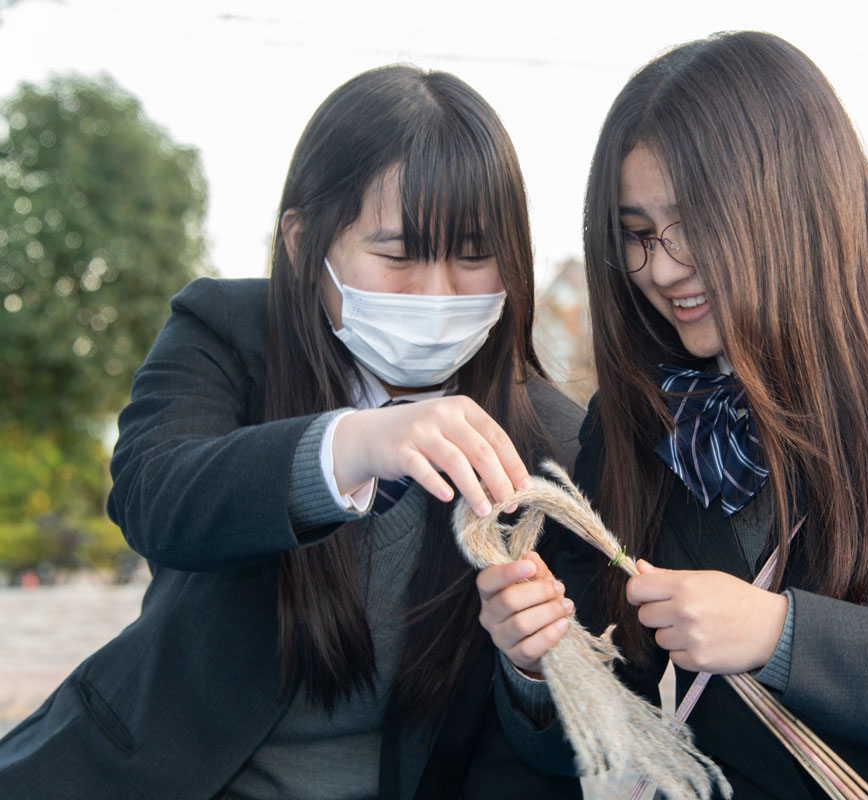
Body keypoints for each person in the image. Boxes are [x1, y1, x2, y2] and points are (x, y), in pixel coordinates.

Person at [476, 31, 868, 799]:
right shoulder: (633, 426)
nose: (663, 267)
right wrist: (538, 667)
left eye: (694, 223)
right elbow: (608, 744)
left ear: (794, 204)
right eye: (636, 235)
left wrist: (778, 634)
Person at [0, 65, 583, 800]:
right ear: (305, 244)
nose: (439, 293)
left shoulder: (554, 447)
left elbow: (560, 748)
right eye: (399, 254)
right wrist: (356, 443)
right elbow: (152, 495)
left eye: (473, 254)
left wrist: (531, 670)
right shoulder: (227, 333)